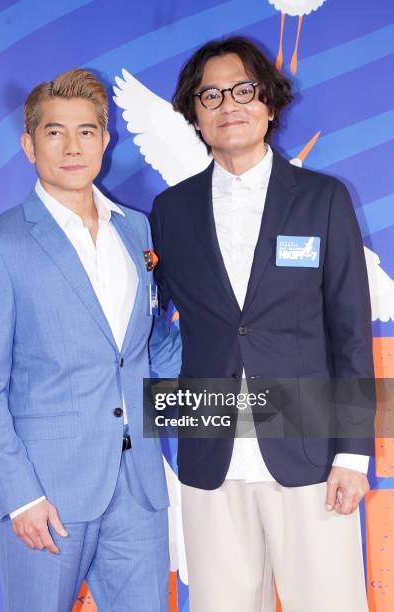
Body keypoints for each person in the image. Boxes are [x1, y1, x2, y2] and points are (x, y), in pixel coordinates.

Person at [149, 36, 374, 612]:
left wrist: (352, 454)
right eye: (211, 95)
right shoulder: (170, 212)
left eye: (244, 90)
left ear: (269, 104)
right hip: (210, 450)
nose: (229, 105)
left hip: (311, 452)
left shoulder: (323, 199)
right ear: (194, 115)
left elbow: (350, 331)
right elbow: (152, 324)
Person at [0, 68, 179, 612]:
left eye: (87, 131)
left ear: (106, 141)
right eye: (55, 132)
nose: (73, 146)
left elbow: (146, 350)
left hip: (140, 491)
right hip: (47, 494)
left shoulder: (139, 230)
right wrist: (21, 497)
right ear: (29, 144)